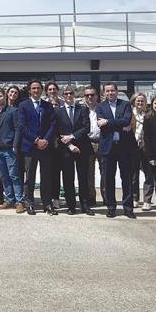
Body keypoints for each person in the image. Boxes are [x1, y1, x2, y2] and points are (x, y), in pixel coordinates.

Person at [96, 82, 136, 218]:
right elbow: (101, 124)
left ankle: (128, 208)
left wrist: (108, 122)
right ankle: (111, 207)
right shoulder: (100, 106)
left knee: (126, 178)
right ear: (104, 93)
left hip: (124, 147)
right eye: (107, 91)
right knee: (108, 179)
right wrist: (116, 123)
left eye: (112, 91)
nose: (110, 93)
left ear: (117, 91)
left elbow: (126, 121)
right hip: (108, 147)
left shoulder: (124, 105)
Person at [17, 80, 56, 215]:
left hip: (45, 146)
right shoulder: (23, 105)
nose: (36, 90)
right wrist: (36, 140)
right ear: (29, 90)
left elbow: (53, 124)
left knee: (46, 177)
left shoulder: (48, 105)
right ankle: (29, 203)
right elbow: (22, 126)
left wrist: (45, 140)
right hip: (30, 147)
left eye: (38, 88)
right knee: (30, 177)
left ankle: (47, 204)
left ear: (41, 90)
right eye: (33, 88)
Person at [55, 86, 94, 215]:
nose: (68, 95)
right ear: (63, 96)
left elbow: (86, 128)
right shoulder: (58, 112)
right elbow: (57, 132)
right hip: (66, 150)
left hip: (82, 148)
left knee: (83, 178)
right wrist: (70, 145)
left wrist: (72, 137)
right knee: (68, 178)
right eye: (66, 93)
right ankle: (71, 205)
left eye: (71, 93)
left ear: (74, 95)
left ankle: (85, 205)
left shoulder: (82, 110)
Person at [0, 88, 25, 212]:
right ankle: (9, 200)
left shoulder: (13, 111)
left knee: (14, 176)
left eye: (0, 96)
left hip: (9, 149)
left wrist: (15, 145)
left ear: (5, 96)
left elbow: (17, 129)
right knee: (4, 176)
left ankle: (20, 202)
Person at [130, 93, 156, 211]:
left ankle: (147, 200)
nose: (140, 103)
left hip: (147, 148)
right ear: (134, 101)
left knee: (149, 175)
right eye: (138, 101)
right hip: (133, 147)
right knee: (133, 175)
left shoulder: (150, 114)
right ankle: (135, 198)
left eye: (142, 101)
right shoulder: (129, 113)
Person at [83, 85, 104, 207]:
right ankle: (91, 197)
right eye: (87, 95)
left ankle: (106, 196)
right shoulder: (81, 109)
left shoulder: (103, 108)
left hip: (102, 142)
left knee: (105, 171)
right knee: (89, 173)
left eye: (92, 95)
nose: (90, 97)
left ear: (97, 96)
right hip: (88, 142)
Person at [44, 81, 63, 208]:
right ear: (46, 91)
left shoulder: (63, 104)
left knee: (57, 172)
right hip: (46, 143)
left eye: (54, 89)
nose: (52, 91)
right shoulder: (43, 104)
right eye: (49, 89)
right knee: (46, 172)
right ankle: (47, 198)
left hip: (61, 143)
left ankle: (56, 197)